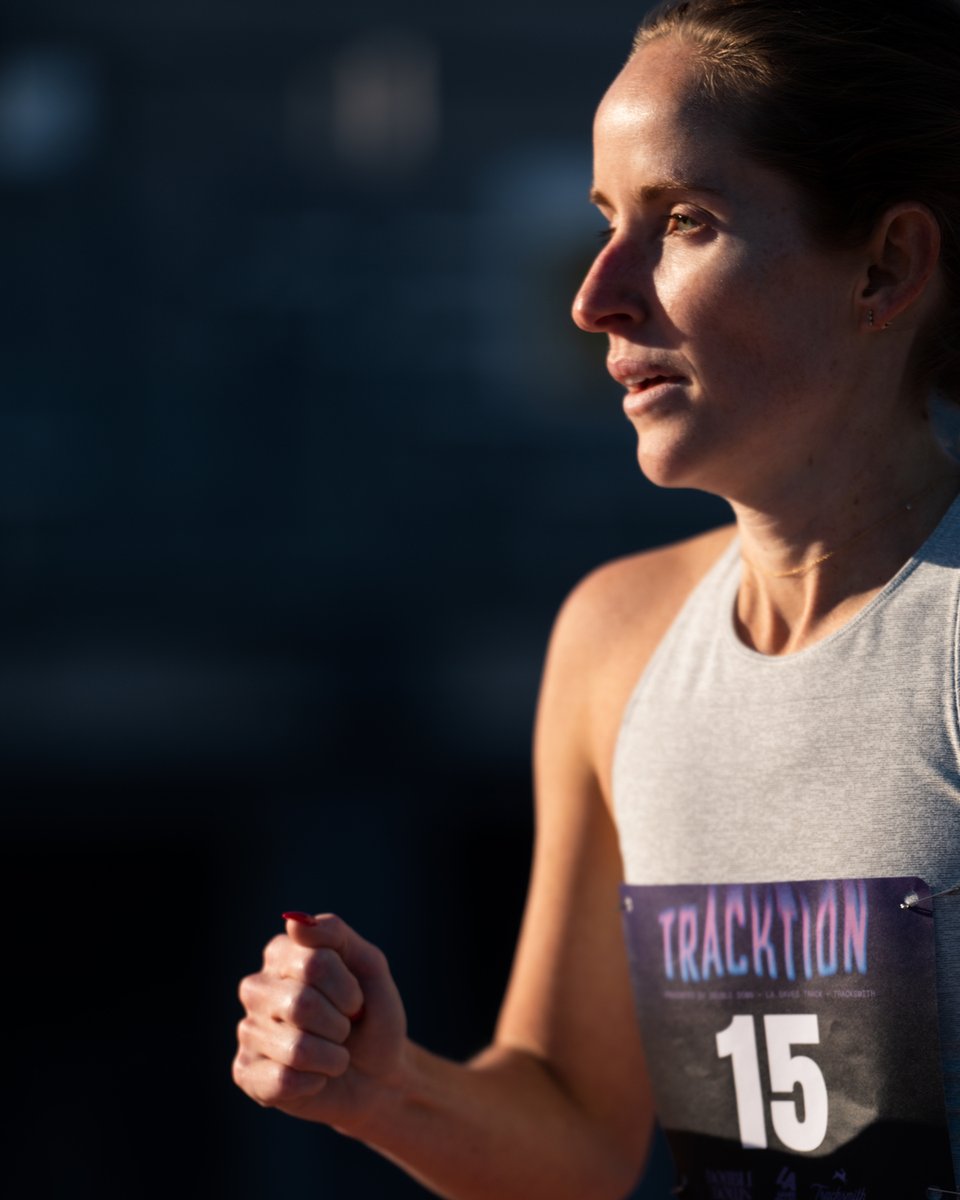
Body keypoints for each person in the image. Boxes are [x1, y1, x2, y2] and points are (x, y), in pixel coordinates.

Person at [233, 1, 960, 1194]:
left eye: (684, 223)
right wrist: (385, 1086)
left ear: (885, 266)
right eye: (604, 222)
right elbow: (575, 1131)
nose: (599, 299)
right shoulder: (615, 641)